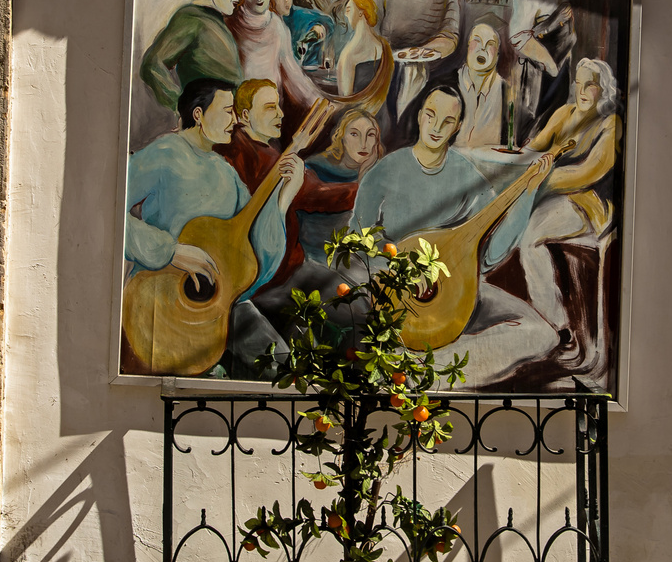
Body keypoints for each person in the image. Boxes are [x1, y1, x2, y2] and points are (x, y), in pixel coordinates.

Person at [348, 83, 558, 386]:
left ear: (457, 127)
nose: (436, 127)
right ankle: (433, 366)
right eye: (431, 116)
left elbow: (488, 259)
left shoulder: (466, 175)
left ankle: (431, 369)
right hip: (395, 294)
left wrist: (528, 192)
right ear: (420, 116)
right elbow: (357, 244)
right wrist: (398, 268)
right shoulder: (383, 173)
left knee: (542, 333)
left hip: (455, 296)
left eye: (447, 121)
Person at [123, 77, 302, 372]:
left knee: (283, 370)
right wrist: (170, 251)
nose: (235, 120)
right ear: (198, 115)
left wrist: (282, 200)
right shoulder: (164, 153)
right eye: (228, 111)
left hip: (223, 305)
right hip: (160, 305)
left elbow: (256, 257)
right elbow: (112, 212)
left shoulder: (226, 173)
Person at [519, 58, 622, 367]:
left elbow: (589, 172)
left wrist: (542, 181)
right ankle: (544, 326)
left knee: (529, 238)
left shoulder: (609, 123)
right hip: (551, 198)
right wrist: (519, 163)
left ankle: (557, 328)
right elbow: (535, 147)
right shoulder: (566, 113)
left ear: (602, 89)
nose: (581, 90)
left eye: (589, 84)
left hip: (587, 206)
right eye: (578, 83)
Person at [213, 79, 354, 297]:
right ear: (245, 116)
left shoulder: (232, 145)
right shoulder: (264, 158)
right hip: (275, 276)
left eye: (278, 105)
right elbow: (318, 195)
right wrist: (364, 187)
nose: (280, 114)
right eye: (270, 107)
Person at [375, 0, 461, 130]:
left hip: (430, 72)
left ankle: (402, 126)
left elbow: (450, 38)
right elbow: (373, 33)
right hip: (387, 66)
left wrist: (420, 53)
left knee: (414, 72)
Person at [140, 0, 244, 112]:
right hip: (206, 122)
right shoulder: (190, 18)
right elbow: (152, 65)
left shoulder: (216, 21)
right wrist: (182, 107)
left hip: (223, 121)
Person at [508, 0, 577, 140]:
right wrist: (549, 64)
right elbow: (518, 37)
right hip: (539, 73)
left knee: (556, 129)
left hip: (559, 69)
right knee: (536, 132)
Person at [228, 0, 324, 114]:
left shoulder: (276, 25)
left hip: (272, 108)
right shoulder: (231, 25)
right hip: (241, 110)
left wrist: (318, 102)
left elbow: (293, 74)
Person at [299, 107, 382, 263]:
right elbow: (315, 196)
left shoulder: (381, 173)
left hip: (360, 257)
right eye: (354, 134)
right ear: (341, 137)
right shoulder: (315, 167)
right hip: (316, 256)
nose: (363, 144)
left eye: (370, 135)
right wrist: (363, 185)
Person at [333, 0, 393, 115]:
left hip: (359, 120)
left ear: (361, 11)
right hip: (382, 117)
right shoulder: (383, 46)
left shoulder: (348, 55)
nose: (345, 14)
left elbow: (346, 101)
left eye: (349, 9)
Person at [454, 14, 508, 148]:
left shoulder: (506, 91)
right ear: (467, 47)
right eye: (477, 41)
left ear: (497, 55)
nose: (482, 48)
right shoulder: (449, 83)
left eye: (490, 44)